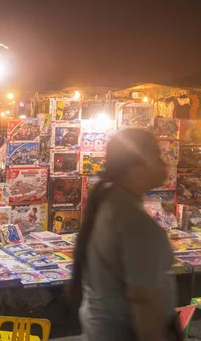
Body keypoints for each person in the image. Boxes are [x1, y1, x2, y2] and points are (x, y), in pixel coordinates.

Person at [71, 128, 180, 341]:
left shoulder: (109, 203)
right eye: (156, 157)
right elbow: (143, 301)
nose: (164, 163)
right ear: (135, 168)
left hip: (101, 328)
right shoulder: (136, 223)